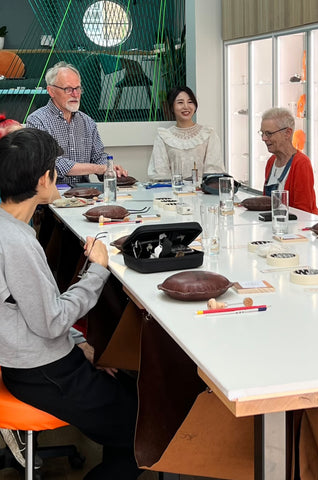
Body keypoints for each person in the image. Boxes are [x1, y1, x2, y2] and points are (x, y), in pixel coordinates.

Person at [0, 128, 144, 479]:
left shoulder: (10, 228)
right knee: (147, 432)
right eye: (53, 169)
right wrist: (98, 268)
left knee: (127, 391)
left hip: (32, 359)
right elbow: (51, 321)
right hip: (41, 372)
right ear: (42, 179)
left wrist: (79, 345)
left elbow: (30, 313)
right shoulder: (16, 242)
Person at [26, 61, 128, 186]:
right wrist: (97, 168)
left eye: (78, 88)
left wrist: (110, 168)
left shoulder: (87, 122)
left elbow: (98, 156)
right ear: (51, 91)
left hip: (85, 195)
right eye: (68, 89)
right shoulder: (37, 121)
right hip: (51, 195)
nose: (75, 94)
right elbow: (51, 164)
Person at [148, 86, 224, 180]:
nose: (186, 107)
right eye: (180, 102)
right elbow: (160, 173)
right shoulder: (163, 136)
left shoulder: (208, 134)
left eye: (190, 102)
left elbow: (214, 171)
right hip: (173, 192)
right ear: (172, 107)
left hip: (203, 192)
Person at [260, 107, 317, 214]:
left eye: (269, 133)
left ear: (287, 133)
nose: (263, 138)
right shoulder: (271, 162)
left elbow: (304, 212)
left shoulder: (301, 164)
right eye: (262, 133)